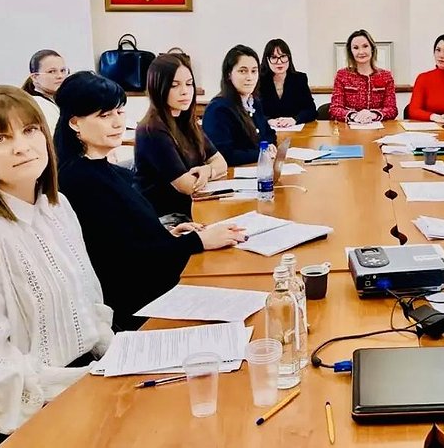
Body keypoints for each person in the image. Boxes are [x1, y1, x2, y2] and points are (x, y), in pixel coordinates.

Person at [0, 86, 113, 448]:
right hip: (20, 415)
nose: (21, 147)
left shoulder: (57, 207)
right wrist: (82, 383)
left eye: (30, 130)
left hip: (82, 383)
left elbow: (89, 304)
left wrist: (116, 358)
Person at [55, 72, 246, 331]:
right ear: (75, 123)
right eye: (104, 115)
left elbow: (131, 236)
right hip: (141, 306)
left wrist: (166, 233)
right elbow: (126, 260)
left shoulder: (107, 170)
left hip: (156, 284)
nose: (117, 122)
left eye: (119, 112)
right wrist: (198, 241)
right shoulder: (79, 180)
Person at [134, 53, 227, 220]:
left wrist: (207, 170)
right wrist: (209, 172)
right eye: (174, 85)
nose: (185, 91)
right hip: (168, 218)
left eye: (189, 84)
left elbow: (221, 163)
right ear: (158, 88)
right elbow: (187, 186)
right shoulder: (151, 130)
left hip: (193, 208)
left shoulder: (186, 121)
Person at [203, 45, 278, 166]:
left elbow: (269, 133)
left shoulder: (254, 102)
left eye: (254, 71)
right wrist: (262, 153)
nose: (250, 77)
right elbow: (224, 155)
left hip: (258, 167)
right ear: (229, 74)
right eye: (243, 71)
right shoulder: (218, 109)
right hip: (233, 174)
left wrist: (270, 146)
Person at [329, 29, 397, 123]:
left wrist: (373, 115)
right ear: (351, 51)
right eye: (356, 48)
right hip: (349, 127)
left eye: (365, 46)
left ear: (372, 48)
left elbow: (392, 109)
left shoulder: (386, 76)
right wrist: (354, 116)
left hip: (378, 127)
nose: (361, 52)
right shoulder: (342, 75)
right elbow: (335, 109)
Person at [258, 38, 318, 127]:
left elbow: (311, 110)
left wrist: (295, 119)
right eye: (274, 57)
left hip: (295, 130)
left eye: (283, 56)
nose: (279, 62)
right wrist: (268, 121)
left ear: (289, 58)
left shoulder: (299, 79)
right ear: (267, 60)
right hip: (268, 130)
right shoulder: (259, 81)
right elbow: (252, 111)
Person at [21, 49, 68, 135]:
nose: (60, 76)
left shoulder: (59, 100)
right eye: (52, 71)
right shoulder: (39, 104)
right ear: (35, 77)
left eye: (63, 70)